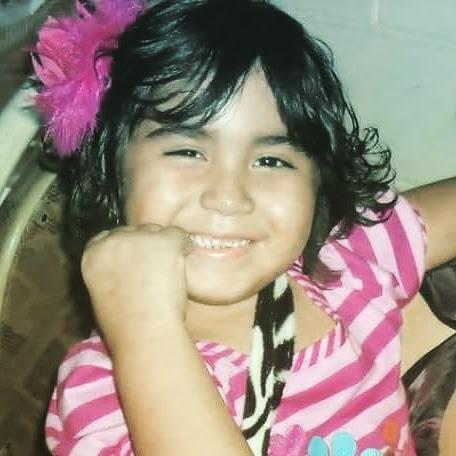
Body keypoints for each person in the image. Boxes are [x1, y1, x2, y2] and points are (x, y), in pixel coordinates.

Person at [32, 0, 456, 454]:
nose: (229, 196)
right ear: (113, 173)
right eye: (187, 152)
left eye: (271, 160)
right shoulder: (106, 389)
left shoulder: (348, 261)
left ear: (317, 183)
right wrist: (145, 324)